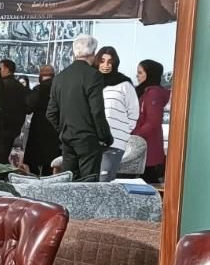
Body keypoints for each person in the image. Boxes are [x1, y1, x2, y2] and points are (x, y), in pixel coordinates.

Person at [47, 35, 111, 182]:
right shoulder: (93, 75)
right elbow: (97, 110)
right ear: (93, 53)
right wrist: (104, 137)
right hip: (88, 139)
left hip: (67, 138)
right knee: (88, 185)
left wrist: (63, 129)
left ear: (74, 52)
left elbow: (50, 113)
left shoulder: (60, 77)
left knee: (69, 183)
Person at [96, 46, 139, 182]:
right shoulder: (91, 82)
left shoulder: (124, 84)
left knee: (104, 181)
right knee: (89, 182)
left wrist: (123, 132)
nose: (105, 65)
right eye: (102, 61)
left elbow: (133, 112)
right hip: (92, 141)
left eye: (110, 62)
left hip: (115, 141)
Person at [134, 59, 170, 183]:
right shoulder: (145, 91)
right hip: (144, 145)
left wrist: (135, 135)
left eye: (140, 73)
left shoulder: (153, 93)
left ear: (149, 74)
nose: (137, 76)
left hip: (147, 146)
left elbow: (153, 121)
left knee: (147, 181)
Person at [23, 65, 60, 175]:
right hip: (54, 130)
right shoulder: (59, 90)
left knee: (34, 164)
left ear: (40, 76)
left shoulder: (38, 90)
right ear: (53, 75)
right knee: (50, 164)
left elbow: (28, 108)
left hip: (38, 130)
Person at [0, 59, 28, 164]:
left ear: (6, 69)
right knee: (4, 155)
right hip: (14, 128)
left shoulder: (0, 85)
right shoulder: (20, 86)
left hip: (0, 128)